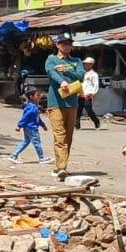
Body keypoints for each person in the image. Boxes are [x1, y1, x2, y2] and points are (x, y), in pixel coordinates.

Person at [45, 33, 84, 179]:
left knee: (68, 137)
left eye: (69, 43)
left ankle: (60, 166)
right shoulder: (52, 60)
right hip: (55, 103)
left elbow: (81, 75)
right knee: (59, 135)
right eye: (63, 43)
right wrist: (62, 81)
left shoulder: (76, 61)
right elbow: (51, 72)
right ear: (57, 45)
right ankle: (62, 167)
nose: (67, 46)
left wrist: (67, 70)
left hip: (72, 103)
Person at [9, 87, 51, 163]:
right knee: (37, 142)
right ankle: (41, 158)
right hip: (31, 128)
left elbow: (37, 118)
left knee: (26, 141)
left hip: (30, 127)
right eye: (37, 95)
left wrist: (42, 125)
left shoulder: (33, 106)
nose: (39, 97)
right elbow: (25, 117)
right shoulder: (31, 107)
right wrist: (19, 125)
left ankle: (13, 155)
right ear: (31, 97)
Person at [80, 56, 102, 129]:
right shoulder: (82, 73)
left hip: (88, 94)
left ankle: (96, 121)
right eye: (85, 64)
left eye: (87, 64)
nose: (85, 65)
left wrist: (92, 93)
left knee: (89, 109)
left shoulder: (94, 74)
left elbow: (96, 85)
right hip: (80, 94)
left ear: (91, 64)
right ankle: (77, 125)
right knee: (78, 110)